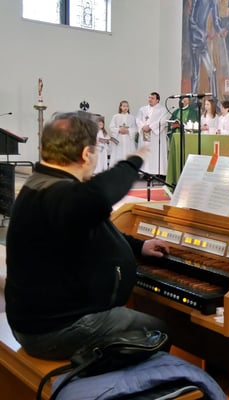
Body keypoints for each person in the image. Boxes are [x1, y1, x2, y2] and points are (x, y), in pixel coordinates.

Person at [5, 112, 170, 360]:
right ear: (86, 154)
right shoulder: (57, 194)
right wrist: (133, 162)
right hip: (54, 330)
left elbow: (97, 227)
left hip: (38, 321)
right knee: (158, 331)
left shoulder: (41, 184)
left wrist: (139, 246)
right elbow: (99, 195)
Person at [135, 92, 170, 176]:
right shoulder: (143, 109)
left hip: (155, 136)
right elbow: (138, 119)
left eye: (152, 98)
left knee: (154, 153)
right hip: (145, 133)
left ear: (157, 100)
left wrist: (150, 127)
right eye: (149, 98)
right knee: (145, 152)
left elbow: (163, 121)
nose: (150, 99)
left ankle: (156, 172)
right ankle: (145, 172)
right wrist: (143, 126)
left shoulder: (162, 110)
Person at [109, 100, 138, 167]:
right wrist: (119, 130)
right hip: (119, 139)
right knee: (118, 154)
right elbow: (111, 127)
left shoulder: (132, 117)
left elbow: (135, 128)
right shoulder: (116, 116)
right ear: (120, 107)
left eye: (127, 106)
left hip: (128, 140)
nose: (125, 108)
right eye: (124, 106)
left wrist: (128, 130)